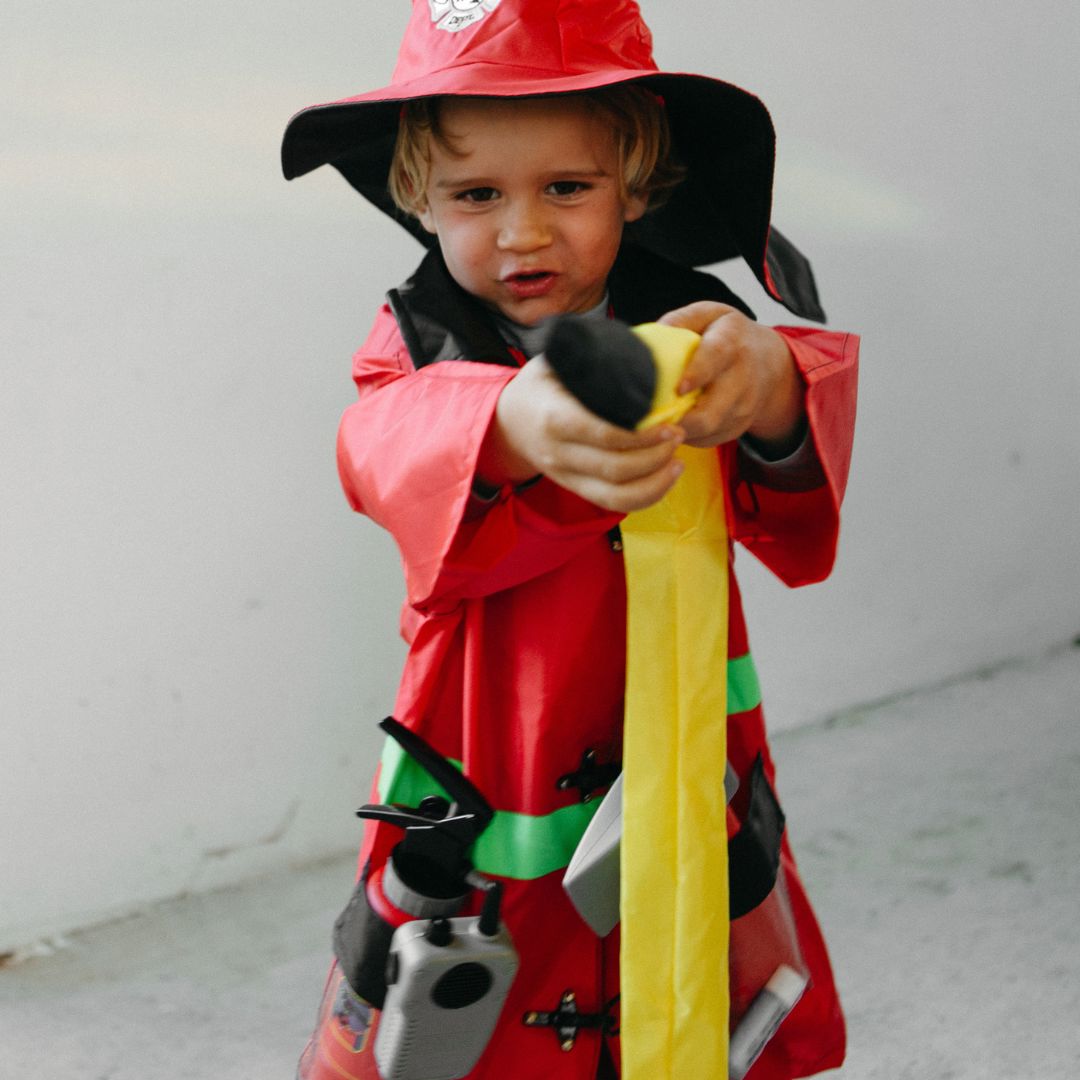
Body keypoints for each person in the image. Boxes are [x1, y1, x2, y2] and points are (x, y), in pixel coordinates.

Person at [282, 3, 858, 1078]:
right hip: (493, 751)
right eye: (476, 195)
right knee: (470, 1001)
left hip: (683, 734)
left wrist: (776, 387)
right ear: (418, 197)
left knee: (694, 971)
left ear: (634, 184)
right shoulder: (419, 343)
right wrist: (504, 424)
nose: (523, 232)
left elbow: (791, 497)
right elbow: (376, 444)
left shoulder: (701, 331)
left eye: (567, 188)